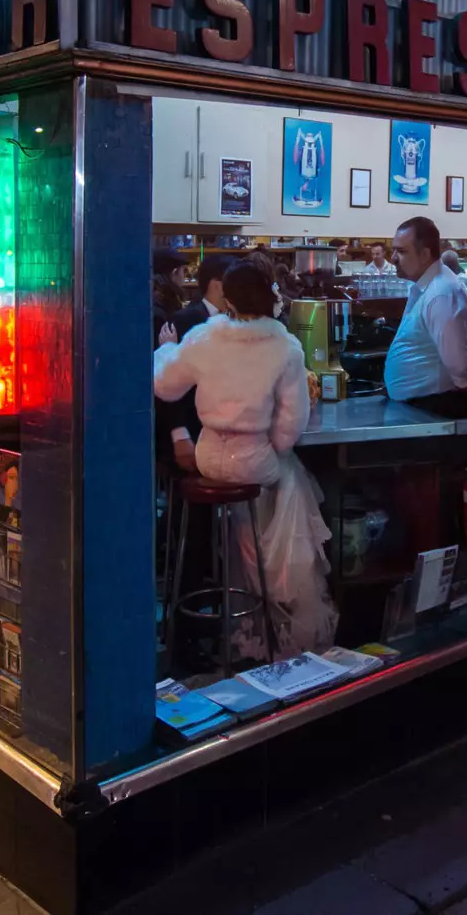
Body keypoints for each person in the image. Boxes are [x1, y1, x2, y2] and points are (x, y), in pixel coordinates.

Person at [154, 261, 335, 652]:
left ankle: (243, 575)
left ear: (229, 298)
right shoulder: (285, 347)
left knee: (260, 490)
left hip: (207, 457)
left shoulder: (205, 338)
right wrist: (273, 446)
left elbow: (165, 387)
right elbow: (292, 422)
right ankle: (273, 586)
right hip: (253, 460)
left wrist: (167, 349)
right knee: (290, 476)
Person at [384, 217, 467, 418]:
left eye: (401, 251)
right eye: (394, 250)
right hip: (420, 406)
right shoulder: (428, 285)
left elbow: (459, 363)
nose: (393, 259)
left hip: (433, 407)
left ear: (424, 255)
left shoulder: (441, 292)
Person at [159, 253, 239, 472]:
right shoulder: (186, 320)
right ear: (217, 285)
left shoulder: (236, 320)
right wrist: (179, 434)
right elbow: (172, 381)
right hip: (194, 430)